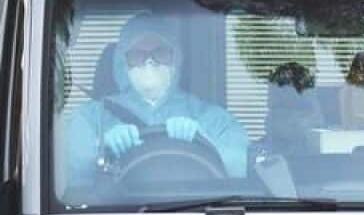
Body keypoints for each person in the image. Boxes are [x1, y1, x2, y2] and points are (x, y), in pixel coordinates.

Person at [61, 13, 248, 190]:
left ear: (176, 58)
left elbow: (238, 174)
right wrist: (100, 151)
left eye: (160, 53)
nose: (149, 63)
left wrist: (205, 141)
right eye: (137, 55)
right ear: (121, 61)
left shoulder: (213, 119)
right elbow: (70, 182)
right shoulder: (91, 119)